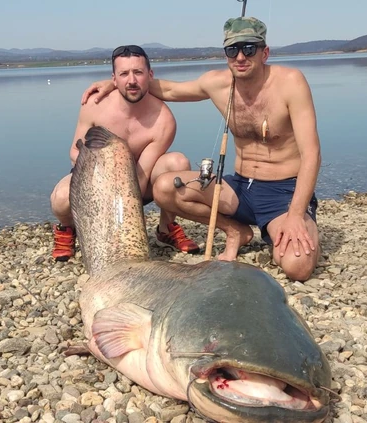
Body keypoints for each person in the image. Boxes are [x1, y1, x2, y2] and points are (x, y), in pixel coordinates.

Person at [80, 17, 322, 282]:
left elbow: (311, 154)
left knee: (297, 267)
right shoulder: (218, 84)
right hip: (240, 188)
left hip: (282, 193)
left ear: (265, 53)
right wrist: (115, 83)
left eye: (249, 48)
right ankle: (235, 230)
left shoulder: (290, 83)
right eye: (232, 50)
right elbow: (170, 90)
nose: (241, 57)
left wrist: (296, 214)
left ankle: (288, 223)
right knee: (165, 188)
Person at [50, 44, 200, 261]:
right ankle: (67, 228)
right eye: (124, 74)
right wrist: (102, 180)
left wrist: (126, 224)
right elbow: (75, 151)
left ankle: (166, 229)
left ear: (150, 75)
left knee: (178, 163)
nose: (131, 81)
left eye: (138, 72)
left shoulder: (163, 120)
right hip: (98, 176)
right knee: (60, 198)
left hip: (139, 179)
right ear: (114, 79)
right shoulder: (94, 105)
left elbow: (142, 174)